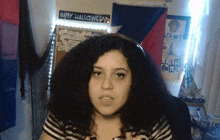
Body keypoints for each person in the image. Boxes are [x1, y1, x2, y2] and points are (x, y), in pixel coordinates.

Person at [40, 33, 192, 140]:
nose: (106, 85)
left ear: (136, 82)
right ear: (82, 77)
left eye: (119, 75)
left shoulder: (152, 125)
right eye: (97, 73)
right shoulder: (63, 118)